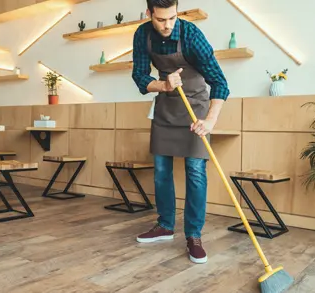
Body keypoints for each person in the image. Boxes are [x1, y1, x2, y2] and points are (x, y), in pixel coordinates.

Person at [132, 0, 230, 264]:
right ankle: (164, 225)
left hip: (196, 108)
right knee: (161, 170)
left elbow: (220, 83)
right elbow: (139, 76)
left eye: (172, 18)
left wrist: (209, 121)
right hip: (166, 107)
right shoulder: (142, 34)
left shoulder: (191, 35)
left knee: (195, 172)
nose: (167, 25)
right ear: (149, 13)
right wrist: (162, 85)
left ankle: (194, 235)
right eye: (161, 19)